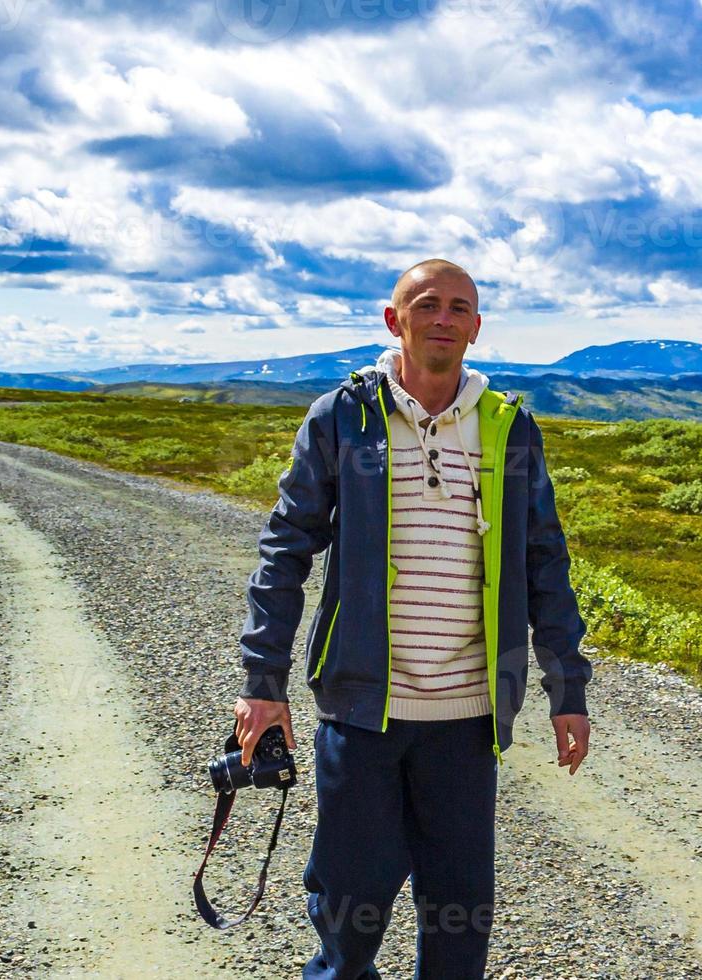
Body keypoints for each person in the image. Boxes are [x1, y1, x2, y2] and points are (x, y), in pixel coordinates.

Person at [233, 258, 593, 980]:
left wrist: (568, 691)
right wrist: (262, 680)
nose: (444, 319)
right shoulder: (344, 417)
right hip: (362, 712)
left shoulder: (509, 428)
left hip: (466, 720)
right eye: (427, 305)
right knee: (348, 909)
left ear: (477, 328)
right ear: (394, 321)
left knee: (459, 913)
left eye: (460, 308)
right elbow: (285, 548)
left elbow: (544, 563)